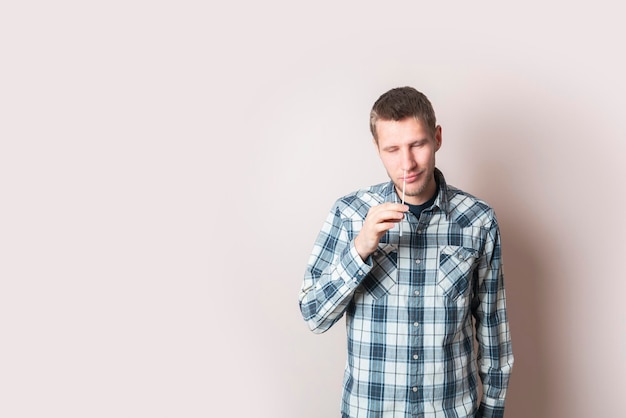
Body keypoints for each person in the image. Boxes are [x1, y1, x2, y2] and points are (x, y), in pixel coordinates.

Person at [298, 87, 514, 418]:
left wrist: (494, 408)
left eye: (418, 145)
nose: (407, 163)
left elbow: (493, 327)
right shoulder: (349, 214)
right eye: (393, 150)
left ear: (437, 137)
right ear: (377, 149)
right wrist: (360, 248)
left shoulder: (478, 220)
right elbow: (314, 314)